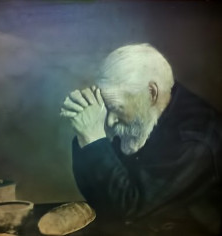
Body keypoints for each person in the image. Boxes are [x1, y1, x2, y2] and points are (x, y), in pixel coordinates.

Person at [60, 44, 221, 235]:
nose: (110, 121)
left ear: (151, 93)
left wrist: (93, 138)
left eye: (117, 108)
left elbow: (127, 210)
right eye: (107, 108)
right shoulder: (145, 111)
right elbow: (101, 199)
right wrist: (84, 136)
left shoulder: (194, 140)